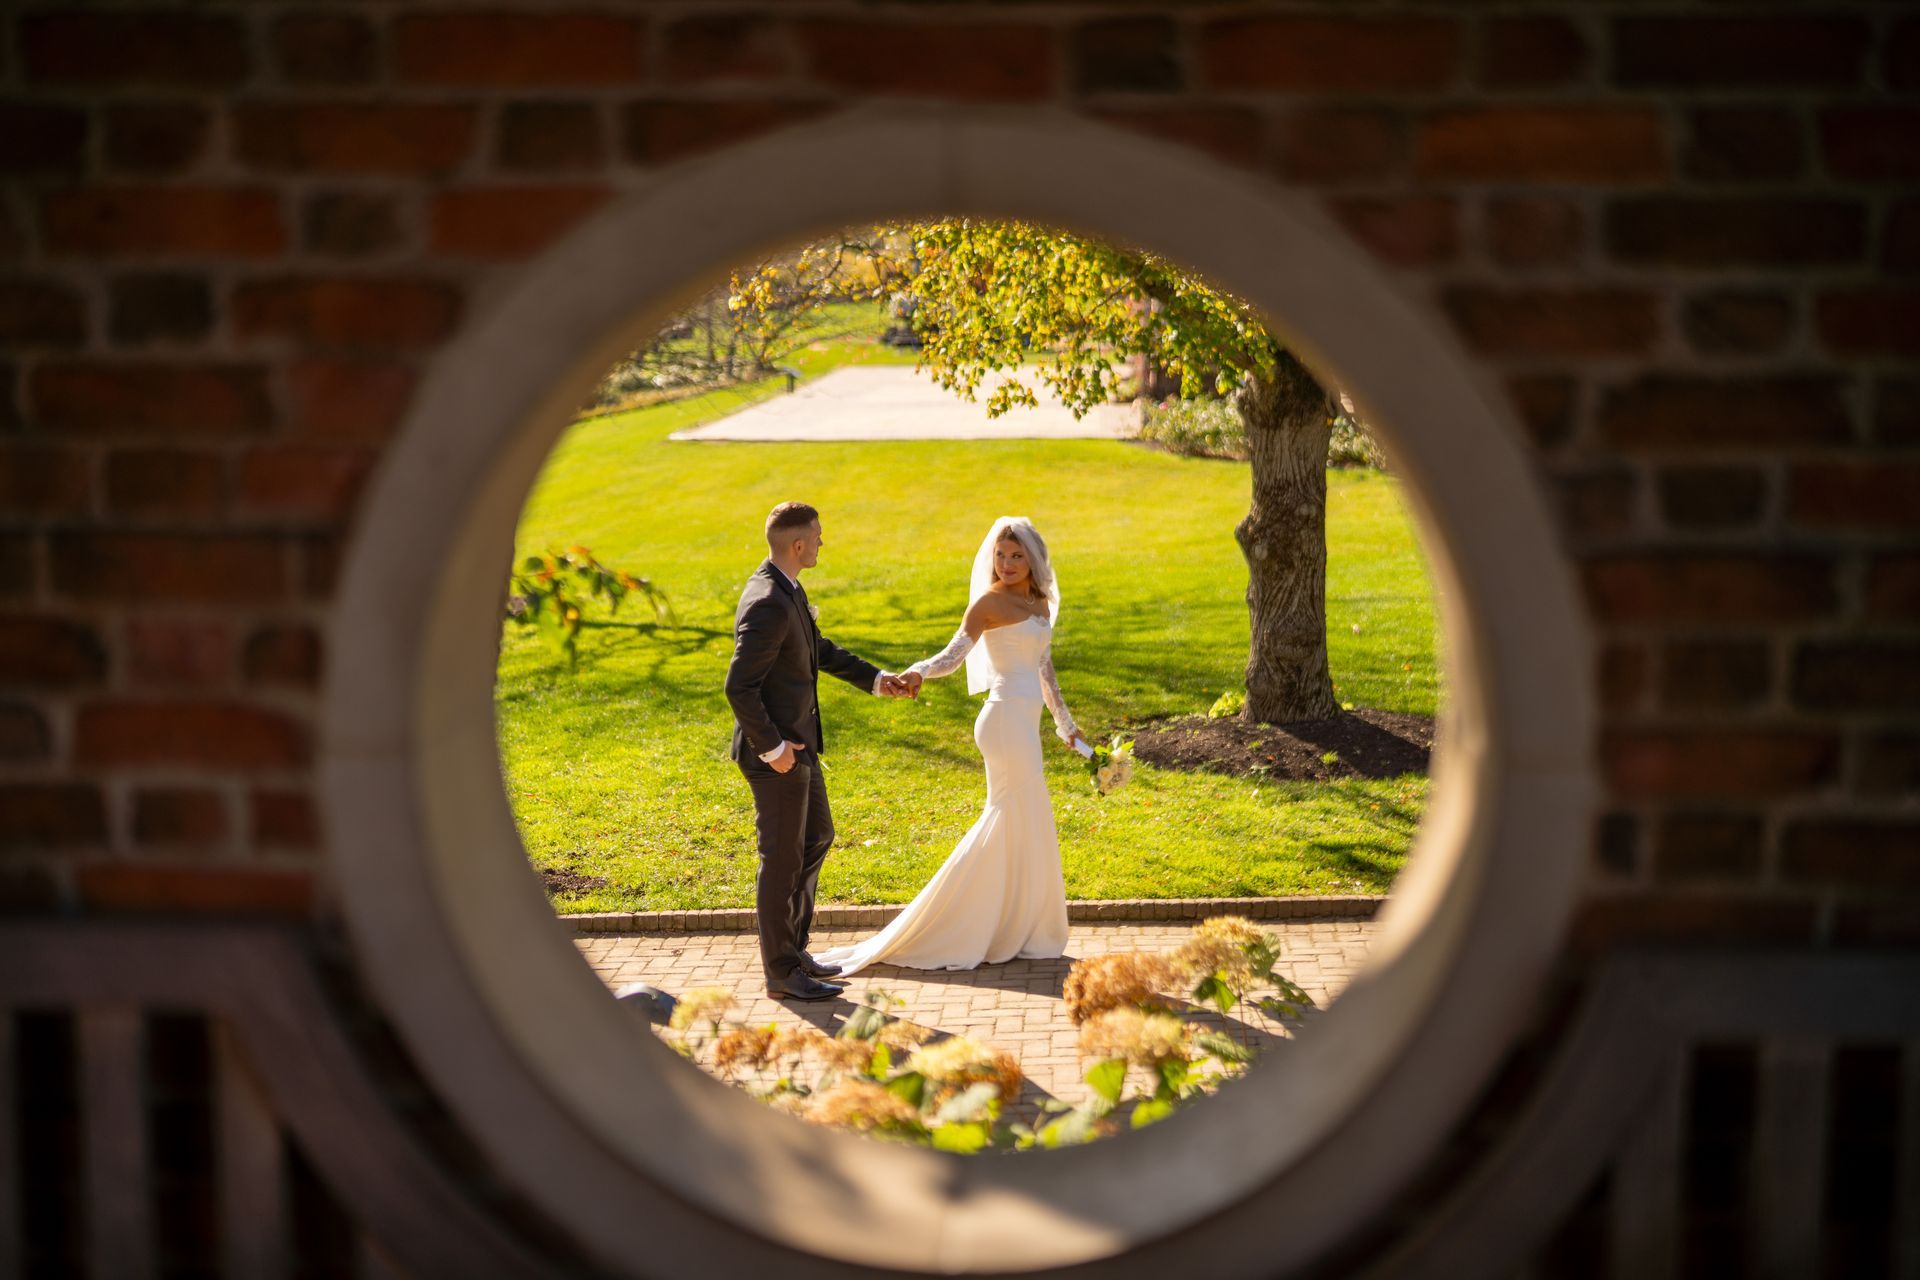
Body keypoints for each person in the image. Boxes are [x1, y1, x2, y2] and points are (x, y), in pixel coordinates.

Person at [814, 517, 1090, 977]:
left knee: (1029, 818)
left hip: (1027, 723)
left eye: (1016, 556)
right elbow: (952, 654)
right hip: (1002, 723)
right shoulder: (987, 603)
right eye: (1001, 555)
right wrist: (918, 671)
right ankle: (960, 923)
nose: (1006, 564)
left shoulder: (1039, 603)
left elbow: (1046, 671)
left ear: (1034, 559)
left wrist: (1068, 726)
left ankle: (1020, 927)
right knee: (1008, 815)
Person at [724, 502, 913, 1002]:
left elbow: (818, 649)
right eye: (818, 537)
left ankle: (795, 949)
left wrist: (876, 680)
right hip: (778, 756)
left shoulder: (787, 588)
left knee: (816, 838)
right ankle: (781, 971)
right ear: (799, 545)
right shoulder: (768, 600)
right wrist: (773, 748)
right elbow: (739, 687)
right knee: (781, 859)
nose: (823, 544)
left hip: (799, 748)